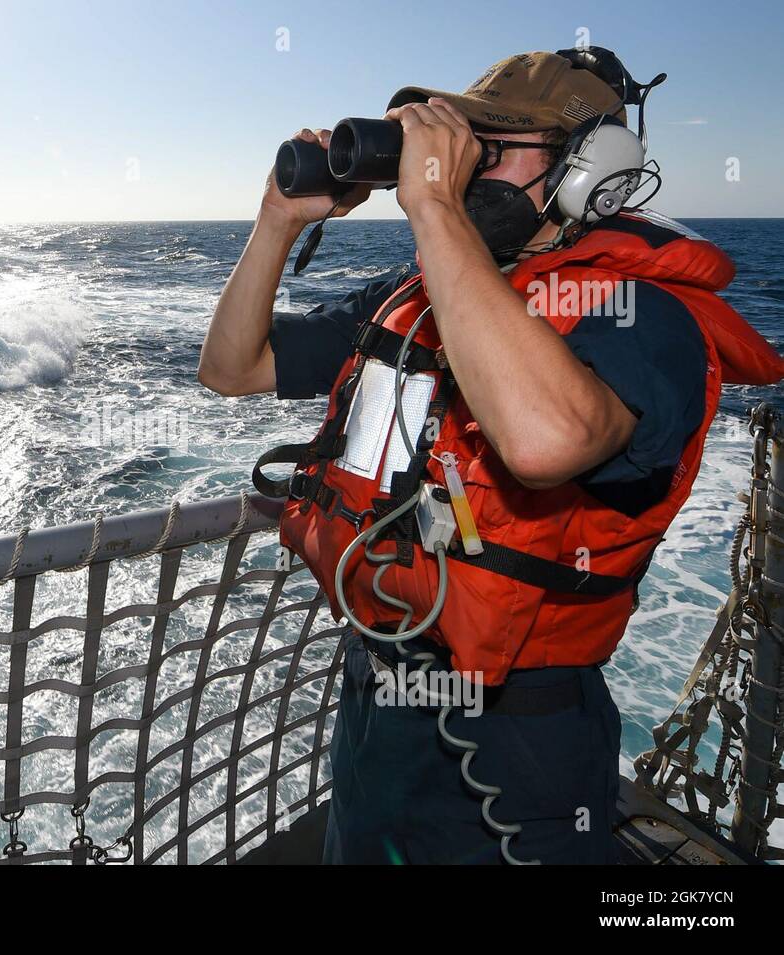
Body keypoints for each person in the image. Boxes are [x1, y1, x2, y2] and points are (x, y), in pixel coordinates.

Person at [198, 48, 784, 863]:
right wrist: (277, 221)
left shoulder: (642, 313)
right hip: (377, 699)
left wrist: (435, 207)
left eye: (493, 148)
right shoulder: (419, 297)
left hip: (523, 735)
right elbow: (232, 366)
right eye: (459, 145)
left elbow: (546, 440)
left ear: (590, 169)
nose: (466, 168)